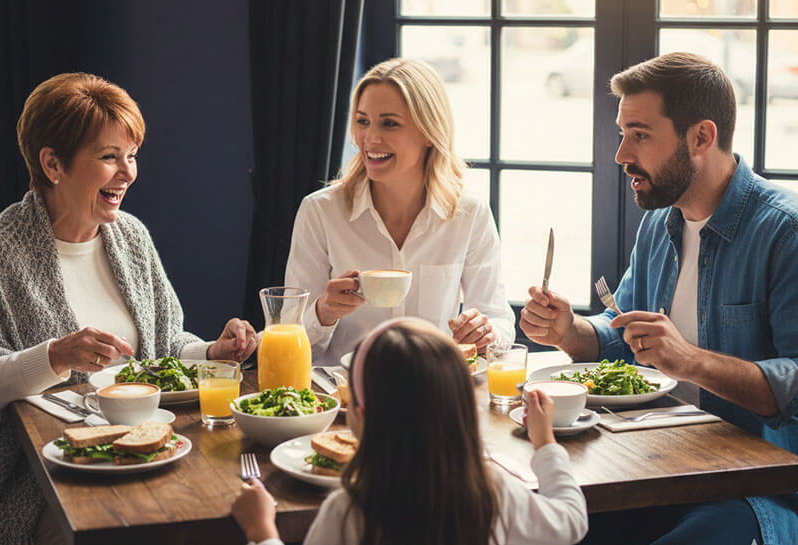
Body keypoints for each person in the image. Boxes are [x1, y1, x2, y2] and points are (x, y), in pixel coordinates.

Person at [520, 52, 798, 544]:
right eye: (622, 133)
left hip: (752, 490)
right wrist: (569, 331)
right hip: (651, 465)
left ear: (701, 137)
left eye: (640, 135)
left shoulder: (784, 232)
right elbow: (621, 335)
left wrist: (690, 361)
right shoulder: (659, 222)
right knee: (537, 527)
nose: (621, 154)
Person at [0, 72, 258, 544]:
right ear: (53, 164)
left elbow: (165, 345)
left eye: (132, 156)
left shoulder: (131, 237)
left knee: (233, 512)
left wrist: (210, 353)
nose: (128, 172)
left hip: (156, 448)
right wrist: (54, 356)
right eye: (108, 157)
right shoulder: (3, 252)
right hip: (48, 478)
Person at [232, 317, 588, 545]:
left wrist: (262, 530)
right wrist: (545, 443)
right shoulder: (493, 493)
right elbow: (571, 521)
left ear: (360, 418)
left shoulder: (351, 511)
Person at [284, 58, 514, 365]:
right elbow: (285, 337)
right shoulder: (320, 212)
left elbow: (498, 319)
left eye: (389, 123)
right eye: (363, 121)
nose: (370, 139)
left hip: (434, 385)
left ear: (429, 132)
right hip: (344, 389)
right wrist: (323, 312)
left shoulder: (470, 213)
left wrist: (485, 332)